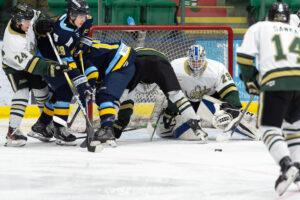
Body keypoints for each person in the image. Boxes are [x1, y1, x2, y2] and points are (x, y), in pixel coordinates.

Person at [237, 2, 300, 195]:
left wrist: (251, 80)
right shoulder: (295, 30)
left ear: (268, 15)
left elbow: (244, 57)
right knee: (294, 128)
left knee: (268, 129)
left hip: (275, 81)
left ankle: (286, 165)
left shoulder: (259, 27)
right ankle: (298, 169)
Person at [155, 44, 259, 140]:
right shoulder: (175, 67)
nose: (196, 65)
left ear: (204, 59)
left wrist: (233, 109)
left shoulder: (216, 68)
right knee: (164, 132)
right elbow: (171, 91)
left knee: (228, 115)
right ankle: (176, 124)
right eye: (193, 61)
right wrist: (170, 111)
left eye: (199, 61)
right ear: (188, 59)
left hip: (206, 103)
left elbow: (230, 91)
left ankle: (255, 127)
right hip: (183, 104)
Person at [1, 2, 68, 147]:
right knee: (22, 92)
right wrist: (55, 68)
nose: (30, 23)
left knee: (42, 92)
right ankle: (12, 132)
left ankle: (45, 125)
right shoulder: (14, 42)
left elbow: (39, 15)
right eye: (27, 22)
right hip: (14, 67)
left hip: (31, 60)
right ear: (18, 22)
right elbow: (34, 65)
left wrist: (43, 23)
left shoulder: (25, 20)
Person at [27, 0, 93, 146]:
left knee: (59, 93)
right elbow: (68, 64)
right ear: (71, 14)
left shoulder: (85, 20)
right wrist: (82, 83)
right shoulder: (61, 34)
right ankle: (59, 129)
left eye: (84, 15)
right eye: (79, 15)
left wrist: (83, 43)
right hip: (47, 61)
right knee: (66, 89)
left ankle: (41, 125)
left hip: (60, 59)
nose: (83, 18)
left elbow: (87, 27)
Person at [112, 47, 209, 142]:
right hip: (161, 61)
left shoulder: (131, 70)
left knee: (122, 95)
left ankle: (107, 128)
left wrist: (119, 127)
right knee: (176, 95)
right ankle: (196, 127)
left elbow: (126, 105)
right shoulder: (175, 66)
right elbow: (176, 98)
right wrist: (170, 113)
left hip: (136, 60)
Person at [73, 37, 137, 147]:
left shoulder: (80, 55)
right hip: (120, 60)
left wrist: (87, 87)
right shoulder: (79, 50)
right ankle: (107, 129)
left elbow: (93, 73)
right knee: (101, 96)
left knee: (104, 96)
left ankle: (107, 130)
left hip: (122, 62)